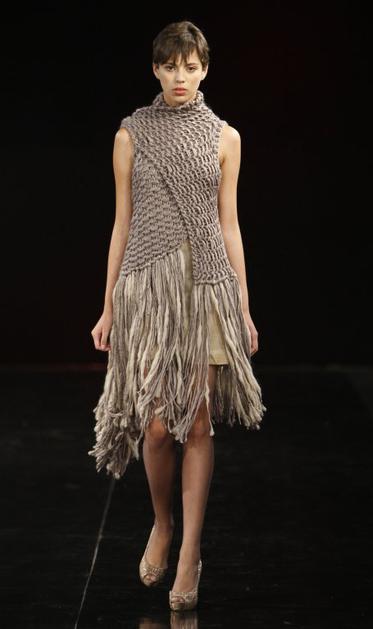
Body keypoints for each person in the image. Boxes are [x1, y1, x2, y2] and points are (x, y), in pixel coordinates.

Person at [89, 20, 267, 612]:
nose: (180, 77)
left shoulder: (225, 137)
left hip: (207, 287)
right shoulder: (130, 135)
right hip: (150, 291)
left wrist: (242, 306)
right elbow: (122, 224)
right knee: (158, 427)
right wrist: (108, 305)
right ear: (156, 70)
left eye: (190, 66)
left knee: (197, 422)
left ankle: (190, 552)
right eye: (170, 67)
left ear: (205, 69)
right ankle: (162, 523)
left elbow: (229, 225)